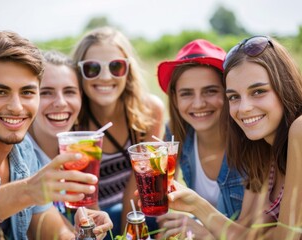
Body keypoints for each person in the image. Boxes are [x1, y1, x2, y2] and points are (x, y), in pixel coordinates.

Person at [0, 30, 112, 239]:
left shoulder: (24, 151)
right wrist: (27, 191)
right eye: (0, 92)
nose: (16, 107)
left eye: (27, 92)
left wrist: (84, 233)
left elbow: (52, 230)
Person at [167, 36, 302, 239]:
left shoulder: (299, 129)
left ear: (284, 87)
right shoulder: (262, 149)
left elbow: (287, 237)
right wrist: (194, 204)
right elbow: (247, 234)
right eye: (234, 97)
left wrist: (202, 221)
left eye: (258, 91)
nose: (244, 108)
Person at [72, 26, 165, 236]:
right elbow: (86, 199)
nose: (105, 77)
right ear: (78, 73)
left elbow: (136, 189)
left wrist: (126, 235)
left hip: (132, 210)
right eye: (93, 68)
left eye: (116, 66)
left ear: (128, 70)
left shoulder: (149, 111)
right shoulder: (74, 122)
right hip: (90, 214)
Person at [155, 39, 245, 239]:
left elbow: (255, 231)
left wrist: (204, 233)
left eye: (210, 91)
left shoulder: (250, 141)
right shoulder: (176, 133)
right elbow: (162, 197)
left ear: (229, 92)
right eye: (186, 94)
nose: (199, 103)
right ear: (175, 100)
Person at [27, 50, 81, 221]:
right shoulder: (16, 155)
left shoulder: (82, 147)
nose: (60, 103)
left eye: (69, 92)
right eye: (46, 92)